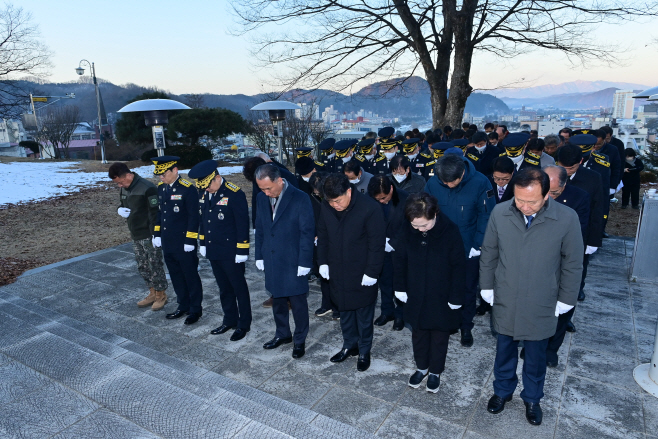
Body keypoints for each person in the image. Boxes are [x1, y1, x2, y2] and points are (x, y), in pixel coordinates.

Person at [480, 168, 583, 426]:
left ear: (547, 195)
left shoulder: (566, 218)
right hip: (506, 294)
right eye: (519, 199)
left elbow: (573, 262)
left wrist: (566, 298)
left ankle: (533, 398)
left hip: (542, 297)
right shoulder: (500, 213)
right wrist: (486, 286)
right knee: (504, 350)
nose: (524, 206)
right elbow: (489, 252)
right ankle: (502, 392)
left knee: (536, 355)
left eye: (532, 201)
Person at [393, 192, 466, 393]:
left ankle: (435, 371)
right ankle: (421, 367)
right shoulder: (408, 229)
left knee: (440, 336)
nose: (419, 229)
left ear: (435, 215)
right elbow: (399, 260)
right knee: (418, 334)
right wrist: (399, 287)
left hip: (442, 295)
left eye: (424, 225)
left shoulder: (450, 231)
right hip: (415, 292)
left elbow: (459, 266)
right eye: (415, 226)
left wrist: (456, 296)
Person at [424, 154, 496, 347]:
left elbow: (487, 216)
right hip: (439, 246)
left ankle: (466, 326)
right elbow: (425, 209)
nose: (448, 185)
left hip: (468, 246)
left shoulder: (481, 182)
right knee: (441, 287)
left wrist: (478, 244)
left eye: (452, 181)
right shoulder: (433, 182)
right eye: (444, 182)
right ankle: (447, 323)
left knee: (467, 289)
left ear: (462, 173)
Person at [317, 173, 385, 372]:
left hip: (361, 271)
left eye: (337, 201)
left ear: (348, 191)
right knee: (344, 311)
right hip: (337, 270)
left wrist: (372, 272)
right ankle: (349, 345)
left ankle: (364, 350)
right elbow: (322, 234)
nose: (334, 205)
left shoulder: (370, 208)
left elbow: (377, 244)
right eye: (330, 202)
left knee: (364, 315)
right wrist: (322, 262)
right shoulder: (326, 206)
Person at [254, 164, 315, 359]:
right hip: (272, 259)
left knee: (298, 304)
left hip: (293, 260)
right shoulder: (261, 198)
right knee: (277, 300)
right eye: (261, 189)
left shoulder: (300, 198)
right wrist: (259, 256)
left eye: (268, 188)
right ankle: (283, 334)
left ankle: (299, 339)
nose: (265, 192)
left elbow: (307, 233)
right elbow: (260, 229)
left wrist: (305, 262)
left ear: (280, 180)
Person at [188, 160, 252, 341]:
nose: (206, 189)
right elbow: (203, 221)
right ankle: (229, 319)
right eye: (203, 187)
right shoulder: (204, 193)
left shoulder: (234, 193)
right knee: (224, 288)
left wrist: (242, 249)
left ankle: (244, 324)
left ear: (217, 178)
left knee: (239, 288)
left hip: (231, 251)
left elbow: (242, 223)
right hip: (214, 249)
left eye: (208, 186)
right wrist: (203, 243)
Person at [109, 162, 168, 311]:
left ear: (129, 175)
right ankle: (152, 292)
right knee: (142, 266)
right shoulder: (124, 188)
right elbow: (123, 204)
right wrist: (119, 210)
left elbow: (155, 213)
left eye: (121, 182)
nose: (120, 186)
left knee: (154, 265)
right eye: (117, 183)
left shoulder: (147, 188)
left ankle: (161, 294)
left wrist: (156, 234)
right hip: (135, 233)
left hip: (148, 234)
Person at [151, 156, 203, 325]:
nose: (161, 177)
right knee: (175, 275)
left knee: (190, 276)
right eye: (159, 174)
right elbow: (160, 213)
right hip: (168, 241)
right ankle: (183, 305)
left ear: (175, 170)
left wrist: (190, 239)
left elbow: (194, 217)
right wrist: (157, 233)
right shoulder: (162, 188)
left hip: (183, 242)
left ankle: (195, 309)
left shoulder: (187, 189)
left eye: (164, 173)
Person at [543, 164, 590, 351]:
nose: (547, 196)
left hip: (562, 260)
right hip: (535, 262)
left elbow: (578, 236)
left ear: (563, 187)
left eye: (553, 192)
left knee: (561, 308)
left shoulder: (579, 198)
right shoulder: (531, 193)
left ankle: (552, 348)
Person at [243, 153, 298, 308]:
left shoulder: (283, 176)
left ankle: (289, 297)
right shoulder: (261, 178)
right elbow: (256, 202)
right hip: (267, 226)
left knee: (286, 264)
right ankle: (276, 294)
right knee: (271, 262)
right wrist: (256, 226)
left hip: (285, 228)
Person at [556, 144, 604, 303]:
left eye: (571, 168)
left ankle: (575, 293)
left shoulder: (593, 178)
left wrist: (594, 240)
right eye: (563, 167)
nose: (566, 172)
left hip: (580, 232)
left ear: (581, 161)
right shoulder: (548, 175)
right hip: (553, 231)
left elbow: (598, 209)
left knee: (576, 268)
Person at [368, 175, 409, 331]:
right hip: (379, 248)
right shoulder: (370, 198)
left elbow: (409, 226)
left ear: (391, 189)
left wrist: (392, 243)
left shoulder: (406, 199)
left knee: (400, 281)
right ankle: (387, 311)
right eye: (377, 199)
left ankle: (400, 314)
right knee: (384, 281)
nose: (381, 201)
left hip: (399, 249)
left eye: (384, 198)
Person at [308, 172, 337, 319]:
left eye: (318, 191)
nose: (316, 193)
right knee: (323, 273)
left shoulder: (335, 199)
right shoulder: (313, 199)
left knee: (336, 276)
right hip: (320, 241)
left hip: (335, 242)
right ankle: (327, 304)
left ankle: (338, 306)